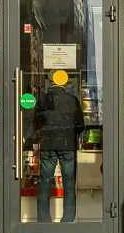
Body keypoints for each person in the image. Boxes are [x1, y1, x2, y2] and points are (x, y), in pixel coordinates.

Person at [33, 81, 85, 223]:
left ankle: (43, 219)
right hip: (67, 145)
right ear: (64, 85)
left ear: (50, 84)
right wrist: (71, 133)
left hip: (47, 145)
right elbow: (80, 125)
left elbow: (36, 123)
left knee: (45, 181)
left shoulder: (42, 99)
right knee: (69, 182)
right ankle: (68, 219)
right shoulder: (72, 100)